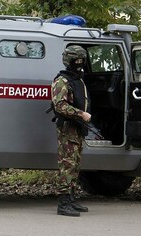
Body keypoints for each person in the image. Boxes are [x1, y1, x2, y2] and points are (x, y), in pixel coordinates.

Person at [51, 45, 92, 217]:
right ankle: (63, 203)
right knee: (67, 165)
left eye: (82, 60)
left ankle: (71, 199)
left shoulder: (77, 79)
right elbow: (60, 105)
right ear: (69, 61)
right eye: (77, 60)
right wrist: (80, 114)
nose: (80, 64)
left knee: (74, 164)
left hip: (76, 127)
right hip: (68, 127)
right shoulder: (62, 80)